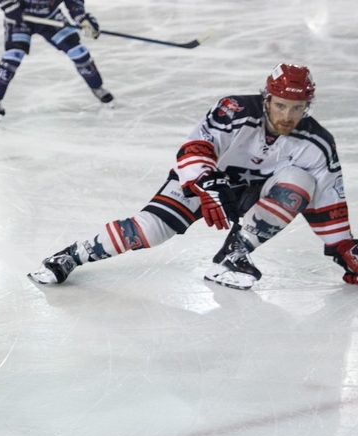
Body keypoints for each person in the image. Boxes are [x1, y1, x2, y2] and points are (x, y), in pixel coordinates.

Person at [28, 64, 355, 290]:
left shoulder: (317, 142)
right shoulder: (234, 110)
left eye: (297, 108)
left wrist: (343, 246)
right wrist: (206, 183)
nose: (288, 116)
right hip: (200, 184)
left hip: (251, 195)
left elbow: (328, 197)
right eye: (281, 105)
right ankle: (71, 255)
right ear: (267, 98)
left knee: (301, 181)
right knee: (149, 230)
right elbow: (196, 146)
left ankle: (232, 256)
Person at [0, 0, 112, 123]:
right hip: (19, 19)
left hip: (50, 18)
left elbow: (74, 3)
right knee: (13, 56)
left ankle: (97, 87)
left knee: (78, 51)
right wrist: (8, 4)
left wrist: (82, 18)